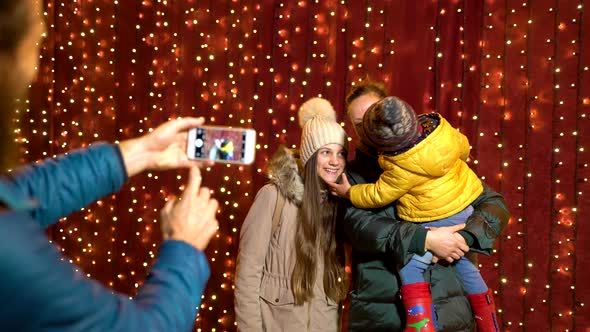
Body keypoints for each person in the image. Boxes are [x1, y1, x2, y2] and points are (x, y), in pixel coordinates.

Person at [0, 1, 219, 331]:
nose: (43, 31)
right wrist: (184, 247)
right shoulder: (9, 251)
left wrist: (140, 153)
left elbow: (21, 192)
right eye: (36, 23)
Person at [339, 81, 509, 331]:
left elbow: (493, 204)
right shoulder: (351, 176)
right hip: (383, 316)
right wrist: (426, 240)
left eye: (372, 115)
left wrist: (463, 237)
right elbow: (361, 228)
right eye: (359, 123)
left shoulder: (436, 161)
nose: (368, 127)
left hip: (452, 311)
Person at [235, 97, 348, 331]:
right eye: (326, 152)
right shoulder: (273, 197)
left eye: (340, 153)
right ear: (310, 156)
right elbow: (248, 273)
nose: (335, 161)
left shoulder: (338, 204)